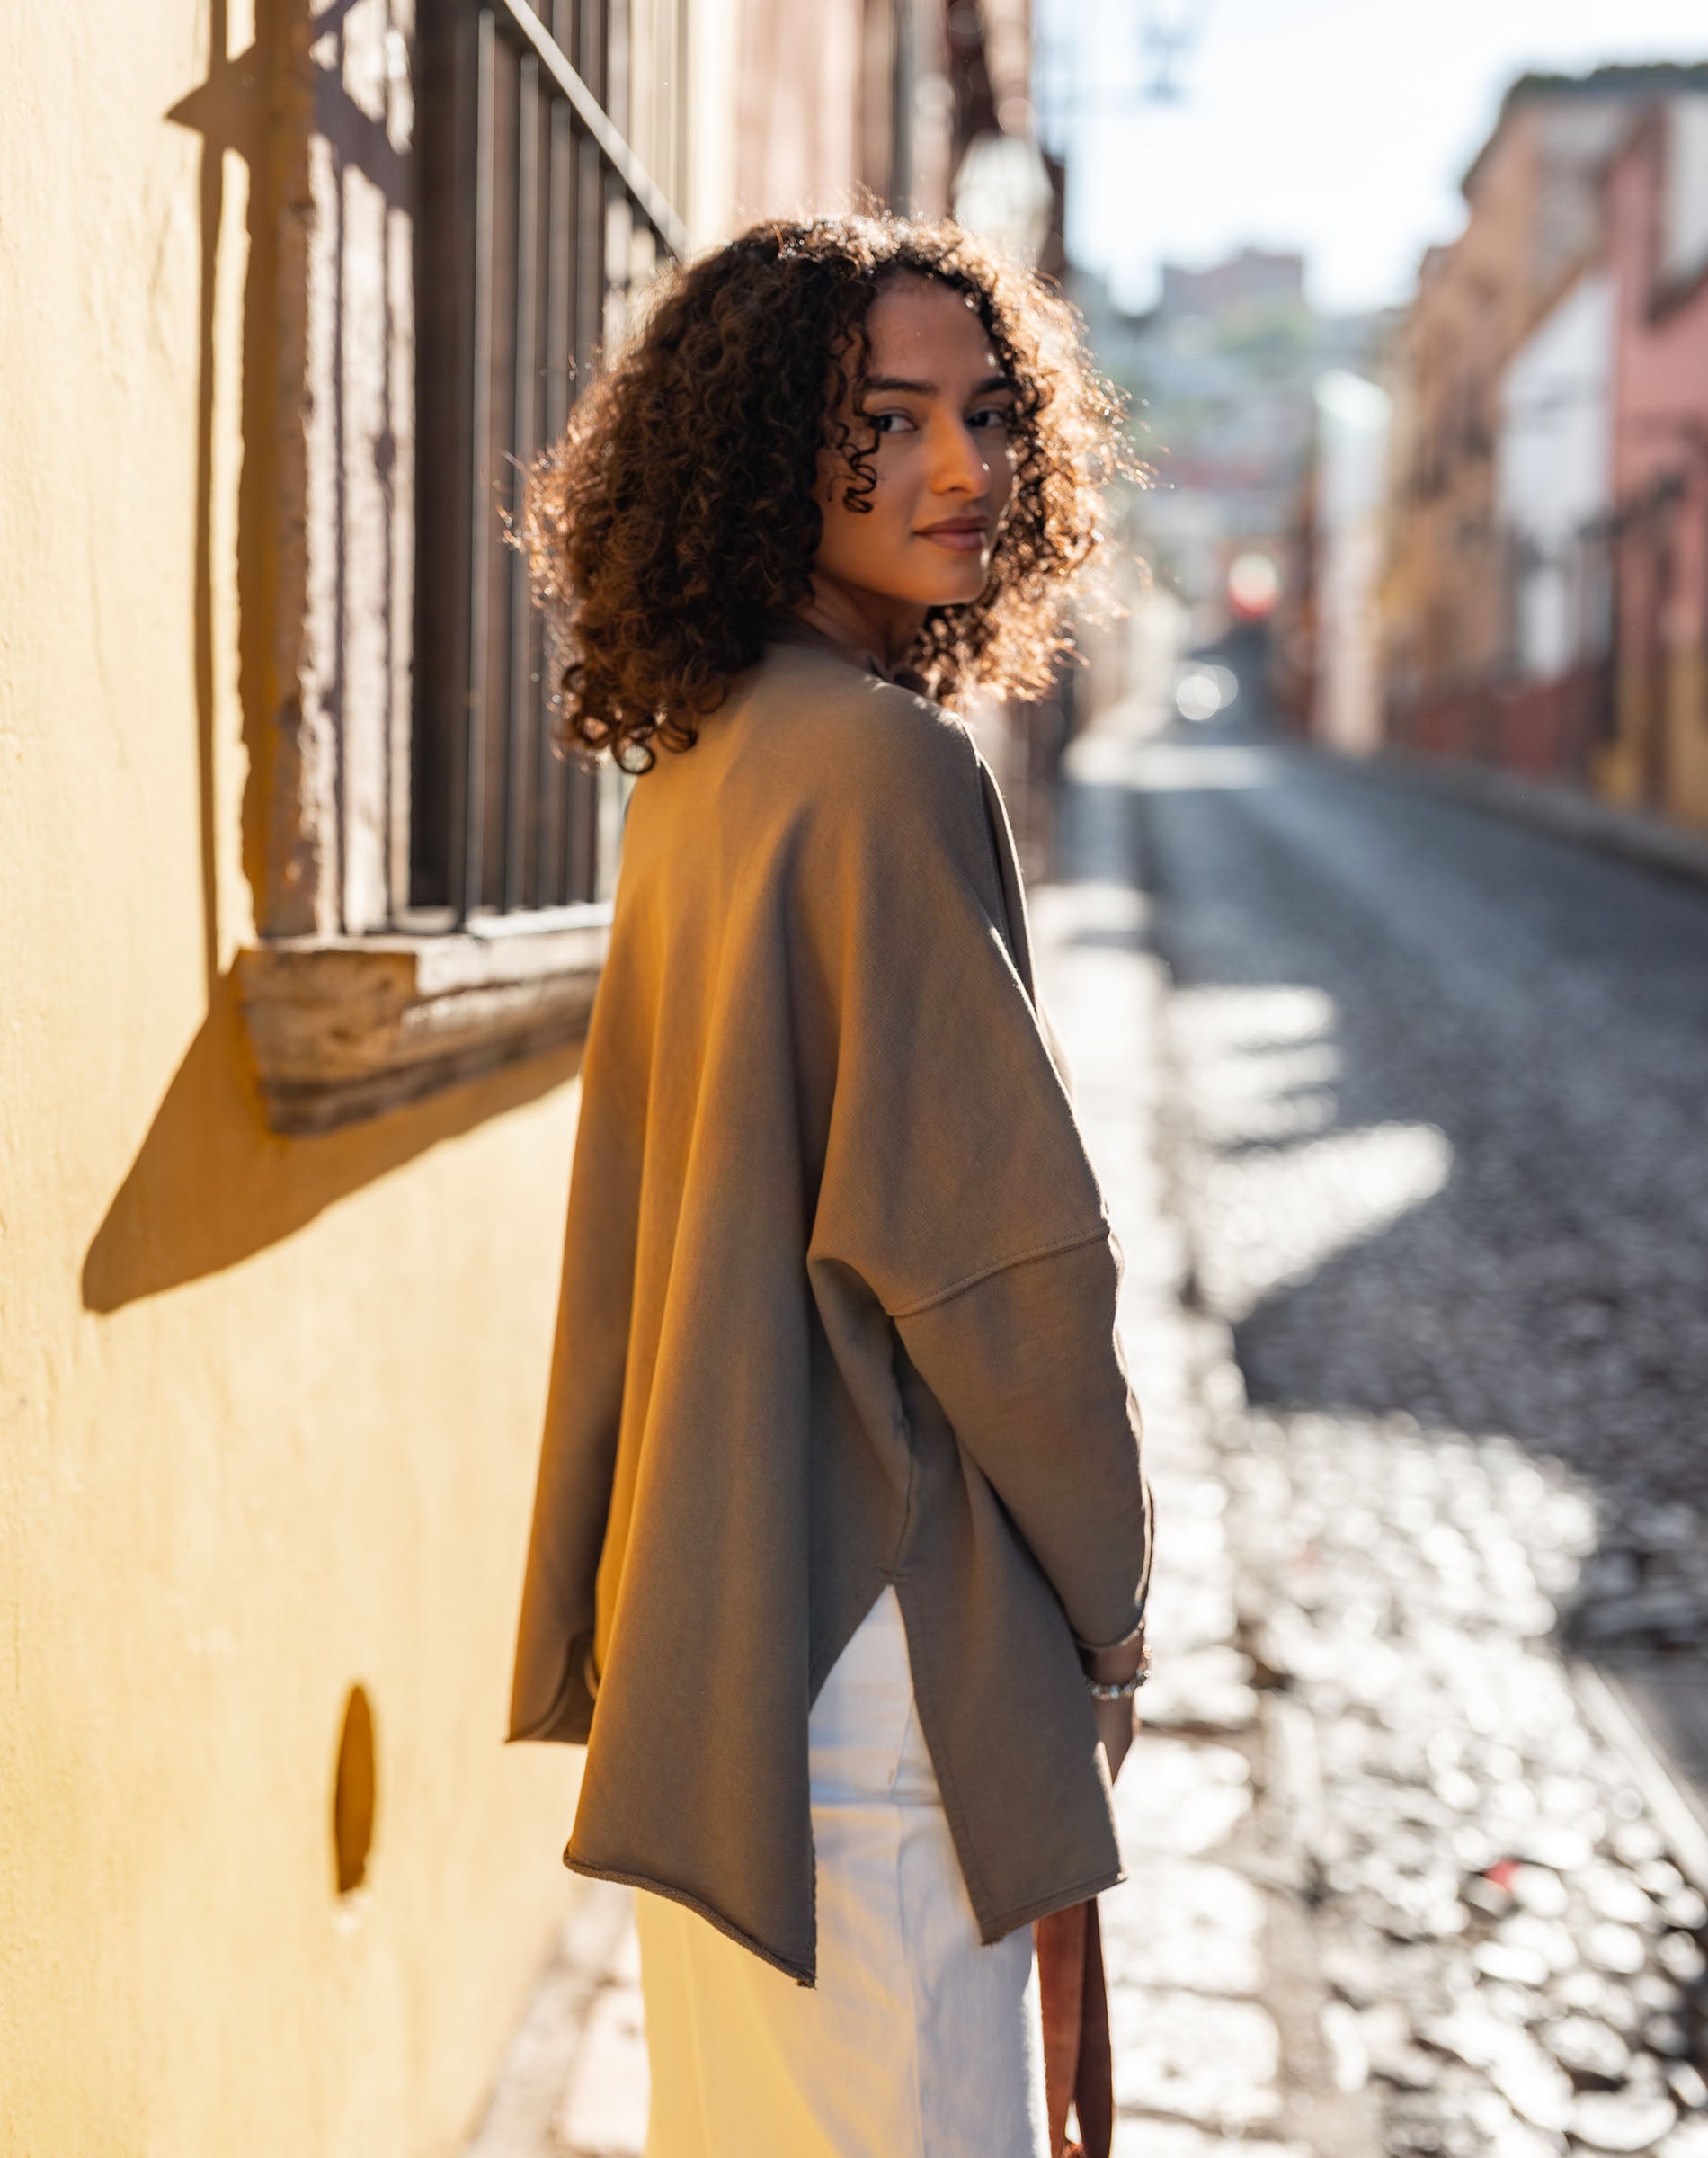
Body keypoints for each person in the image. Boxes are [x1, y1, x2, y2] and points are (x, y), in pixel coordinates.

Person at [508, 214, 1153, 2158]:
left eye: (983, 416)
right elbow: (1000, 1275)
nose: (961, 469)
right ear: (757, 451)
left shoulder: (705, 765)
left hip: (724, 1640)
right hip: (884, 1660)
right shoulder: (878, 770)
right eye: (885, 421)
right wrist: (1111, 1610)